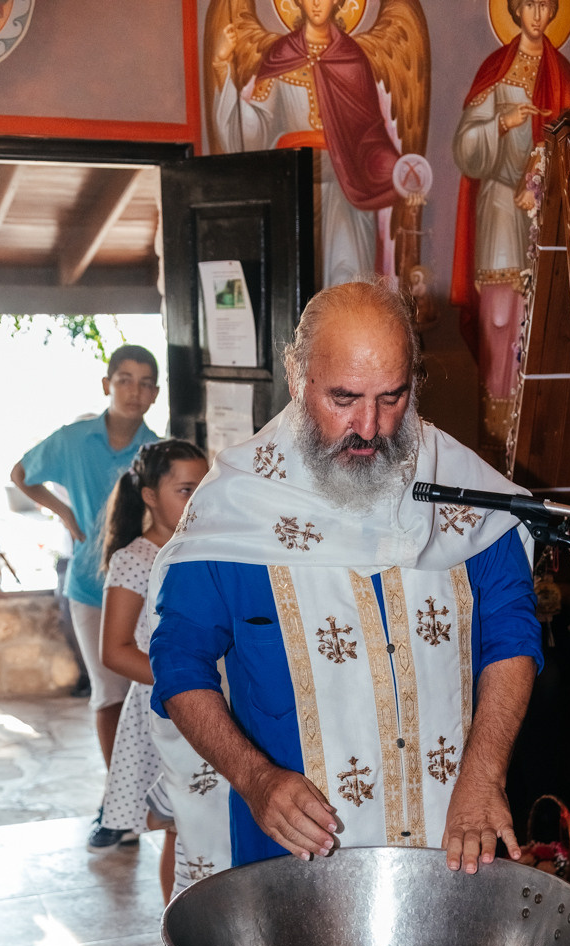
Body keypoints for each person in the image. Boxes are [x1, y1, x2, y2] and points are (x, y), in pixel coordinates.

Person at [148, 279, 544, 881]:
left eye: (392, 397)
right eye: (344, 398)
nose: (370, 426)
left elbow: (511, 631)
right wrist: (255, 779)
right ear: (296, 376)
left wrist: (484, 774)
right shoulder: (235, 508)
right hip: (295, 854)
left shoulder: (465, 493)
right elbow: (179, 664)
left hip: (450, 833)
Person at [10, 347, 161, 792]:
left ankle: (154, 797)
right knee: (109, 694)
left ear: (155, 394)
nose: (134, 391)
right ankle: (118, 799)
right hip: (90, 587)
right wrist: (64, 513)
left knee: (149, 695)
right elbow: (21, 474)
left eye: (145, 383)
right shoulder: (73, 439)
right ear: (106, 385)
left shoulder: (157, 451)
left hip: (146, 586)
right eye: (125, 380)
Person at [451, 0, 570, 472]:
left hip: (545, 210)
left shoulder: (563, 76)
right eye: (529, 5)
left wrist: (542, 175)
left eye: (545, 5)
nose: (538, 15)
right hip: (500, 206)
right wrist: (502, 122)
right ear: (516, 10)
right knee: (499, 317)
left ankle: (532, 438)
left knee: (538, 317)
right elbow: (466, 150)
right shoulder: (496, 70)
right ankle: (495, 437)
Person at [88, 442, 208, 901]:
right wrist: (185, 678)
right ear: (150, 496)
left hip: (209, 699)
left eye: (204, 488)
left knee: (205, 816)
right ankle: (177, 928)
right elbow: (115, 652)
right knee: (181, 823)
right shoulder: (135, 560)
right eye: (185, 490)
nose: (197, 500)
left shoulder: (204, 547)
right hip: (165, 706)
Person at [210, 0, 402, 286]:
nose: (316, 3)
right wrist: (221, 65)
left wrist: (394, 168)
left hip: (343, 185)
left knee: (346, 278)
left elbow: (369, 134)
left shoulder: (353, 59)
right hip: (292, 184)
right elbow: (254, 127)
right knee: (290, 278)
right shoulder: (282, 54)